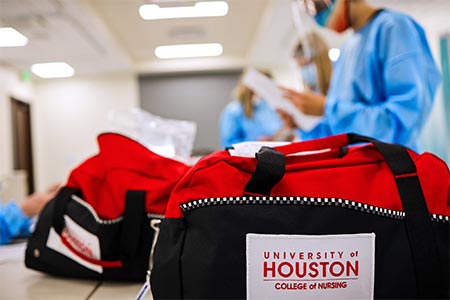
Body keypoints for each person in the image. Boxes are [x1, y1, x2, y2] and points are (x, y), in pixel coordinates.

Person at [279, 0, 441, 151]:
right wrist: (303, 124)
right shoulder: (346, 50)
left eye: (318, 5)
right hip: (360, 172)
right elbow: (340, 135)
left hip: (394, 172)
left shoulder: (394, 28)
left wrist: (327, 108)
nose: (316, 15)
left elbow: (401, 123)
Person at [219, 70, 286, 149]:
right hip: (249, 158)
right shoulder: (233, 111)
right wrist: (255, 143)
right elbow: (228, 144)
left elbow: (280, 129)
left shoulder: (271, 108)